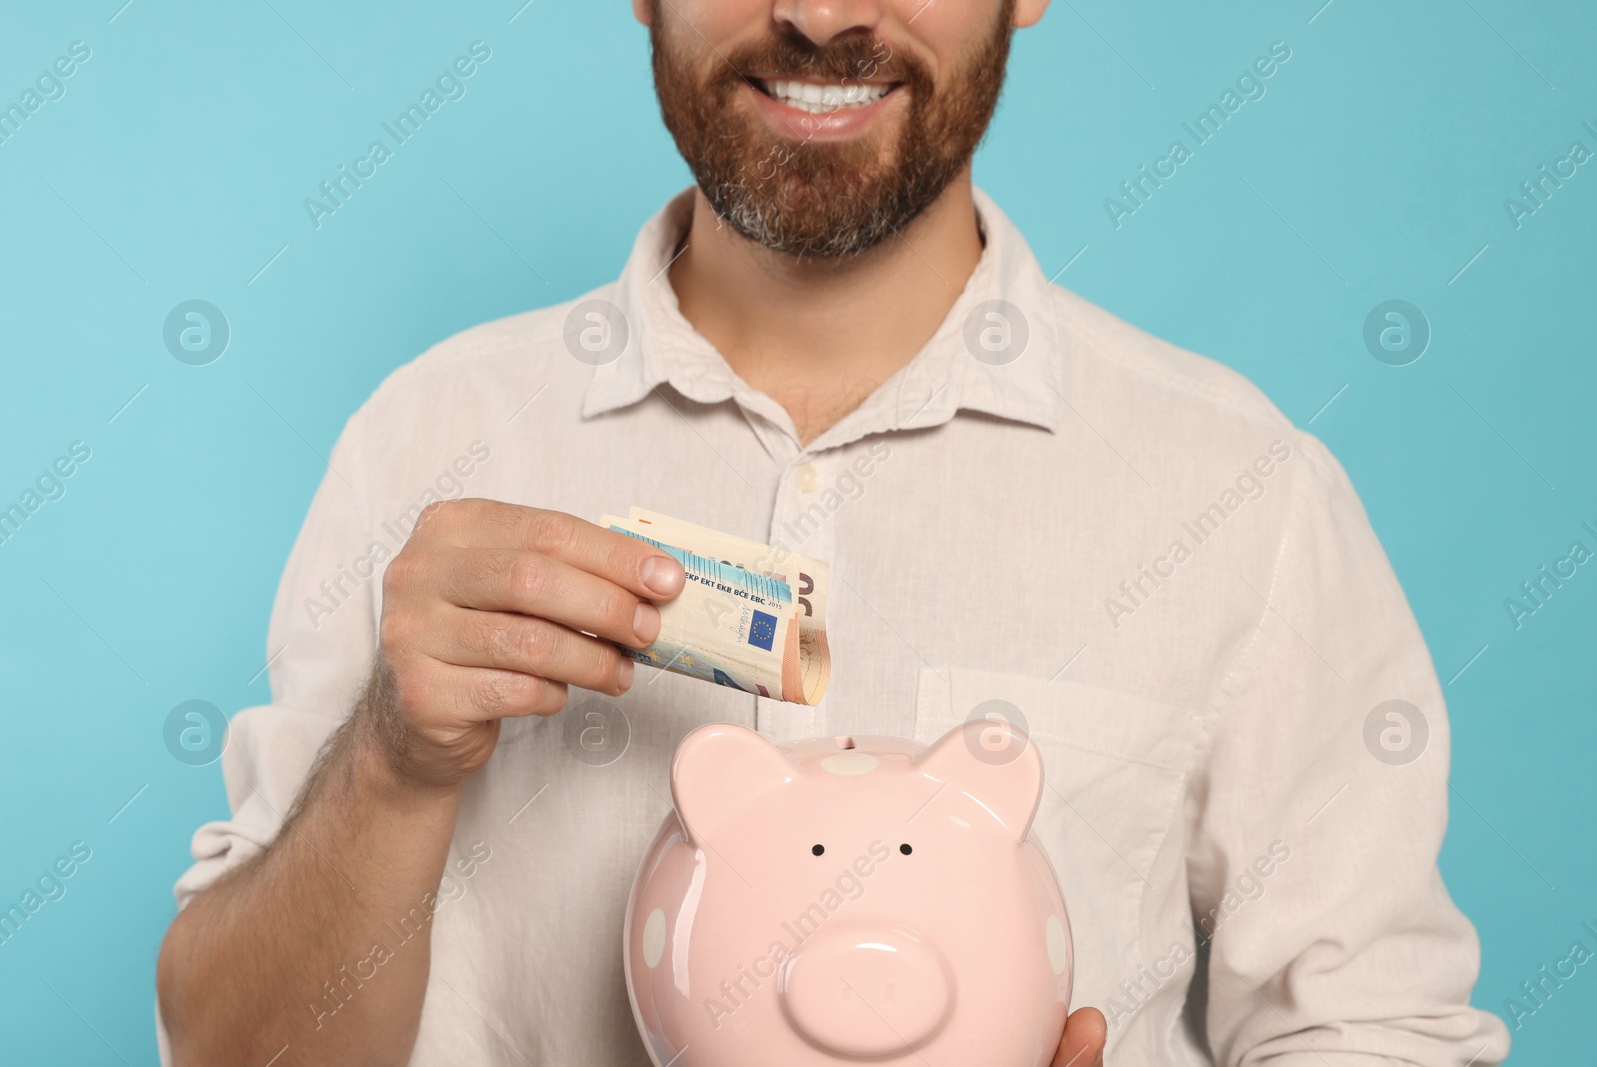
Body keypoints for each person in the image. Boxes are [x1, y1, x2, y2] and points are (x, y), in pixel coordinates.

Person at [155, 1, 1510, 1064]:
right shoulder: (431, 440)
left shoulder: (1242, 497)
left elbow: (1375, 1032)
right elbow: (228, 1059)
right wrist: (391, 762)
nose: (816, 13)